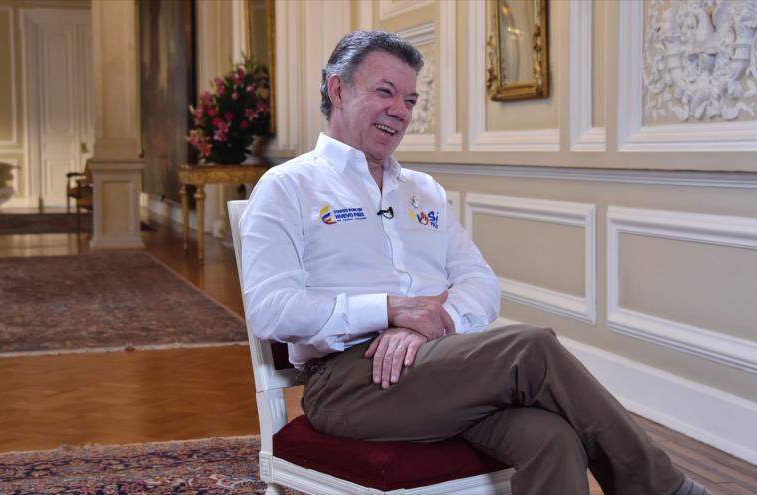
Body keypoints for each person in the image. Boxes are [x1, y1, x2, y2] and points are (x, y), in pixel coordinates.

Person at [239, 30, 711, 495]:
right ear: (337, 88)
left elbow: (479, 283)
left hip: (438, 367)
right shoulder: (288, 187)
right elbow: (272, 310)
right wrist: (389, 309)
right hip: (345, 383)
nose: (400, 112)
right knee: (532, 349)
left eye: (410, 100)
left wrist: (427, 323)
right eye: (385, 92)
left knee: (555, 440)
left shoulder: (424, 191)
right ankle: (663, 490)